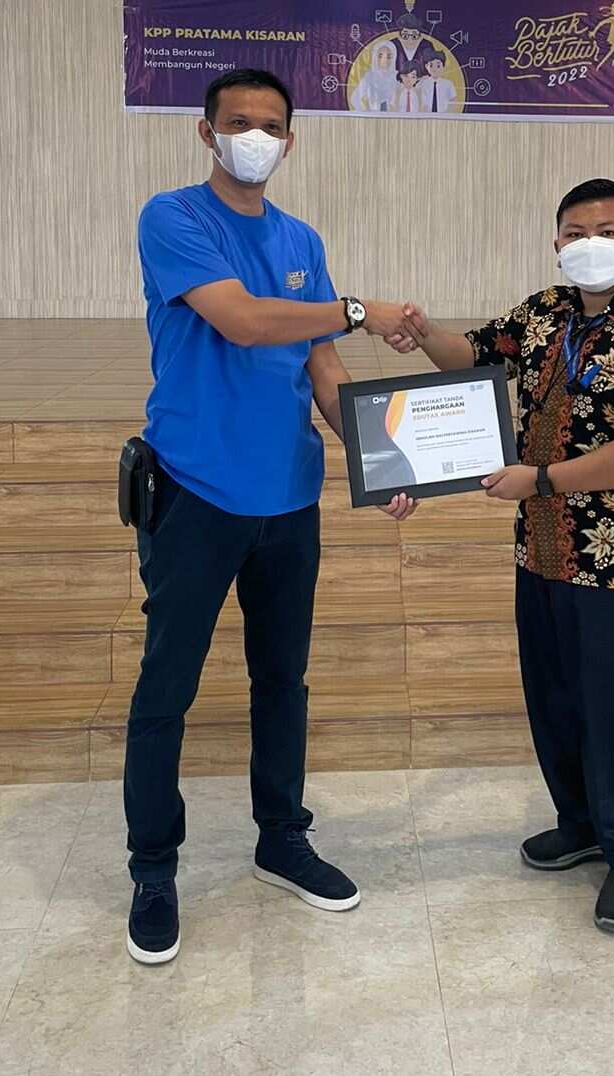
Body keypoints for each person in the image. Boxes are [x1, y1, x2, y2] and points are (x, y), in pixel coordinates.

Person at [125, 66, 417, 966]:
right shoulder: (172, 218)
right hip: (195, 491)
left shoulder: (300, 239)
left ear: (290, 141)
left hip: (289, 497)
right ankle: (153, 868)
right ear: (206, 132)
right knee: (167, 688)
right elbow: (246, 322)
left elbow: (319, 364)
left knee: (282, 680)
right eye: (238, 122)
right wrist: (361, 309)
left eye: (271, 126)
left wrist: (379, 458)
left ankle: (281, 837)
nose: (255, 137)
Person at [395, 178, 614, 934]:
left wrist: (539, 479)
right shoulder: (544, 313)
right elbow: (472, 356)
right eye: (575, 232)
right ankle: (582, 823)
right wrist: (422, 332)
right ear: (556, 244)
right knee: (556, 695)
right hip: (541, 552)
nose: (589, 243)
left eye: (607, 231)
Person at [351, 40, 399, 113]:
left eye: (388, 57)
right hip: (373, 115)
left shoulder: (397, 77)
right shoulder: (369, 77)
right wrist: (365, 111)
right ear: (375, 57)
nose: (384, 60)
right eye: (380, 56)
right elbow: (356, 97)